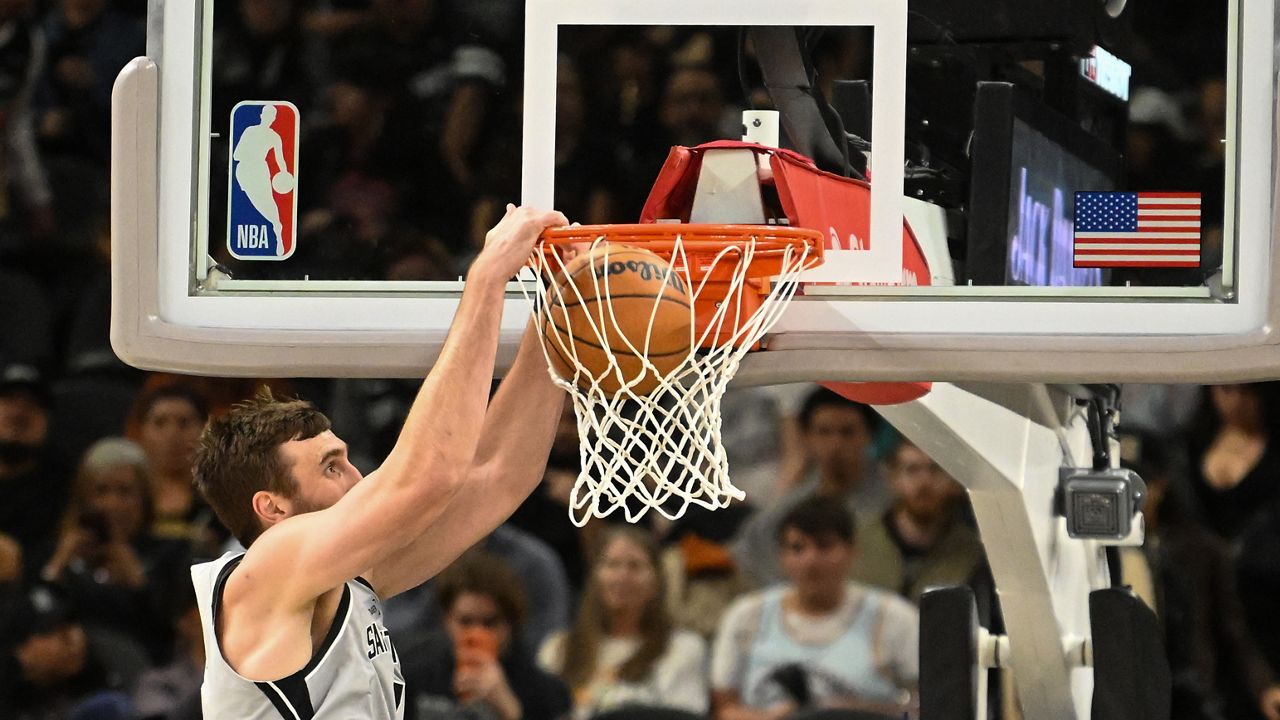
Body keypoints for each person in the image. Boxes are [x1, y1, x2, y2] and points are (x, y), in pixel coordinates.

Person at [190, 204, 569, 719]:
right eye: (330, 467)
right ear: (272, 507)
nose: (357, 477)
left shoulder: (351, 579)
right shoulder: (264, 573)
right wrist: (487, 277)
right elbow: (430, 475)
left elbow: (499, 473)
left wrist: (560, 311)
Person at [711, 498, 919, 720]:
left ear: (852, 550)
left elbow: (923, 708)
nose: (811, 560)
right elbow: (725, 709)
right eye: (797, 548)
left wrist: (843, 711)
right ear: (781, 555)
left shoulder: (895, 616)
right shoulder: (746, 615)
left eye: (824, 546)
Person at [37, 437, 192, 661]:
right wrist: (58, 566)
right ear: (83, 498)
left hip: (150, 672)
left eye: (125, 492)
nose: (112, 504)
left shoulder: (171, 554)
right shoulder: (56, 554)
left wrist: (137, 581)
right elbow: (34, 620)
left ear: (145, 499)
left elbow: (171, 632)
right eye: (101, 491)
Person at [538, 527, 709, 719]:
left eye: (634, 566)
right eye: (612, 565)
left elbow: (685, 714)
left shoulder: (682, 648)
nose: (622, 576)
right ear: (595, 576)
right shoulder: (558, 648)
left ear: (657, 581)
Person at [732, 387, 884, 586]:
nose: (835, 444)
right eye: (824, 432)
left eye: (847, 432)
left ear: (869, 436)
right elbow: (747, 554)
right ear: (806, 437)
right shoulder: (783, 513)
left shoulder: (893, 502)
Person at [400, 551, 571, 720]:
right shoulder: (412, 674)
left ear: (511, 624)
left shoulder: (547, 693)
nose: (476, 633)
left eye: (490, 623)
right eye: (465, 622)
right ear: (446, 620)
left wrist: (510, 711)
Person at [850, 436, 986, 604]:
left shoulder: (972, 553)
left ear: (953, 480)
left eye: (935, 469)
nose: (924, 482)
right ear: (893, 478)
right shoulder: (859, 544)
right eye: (912, 470)